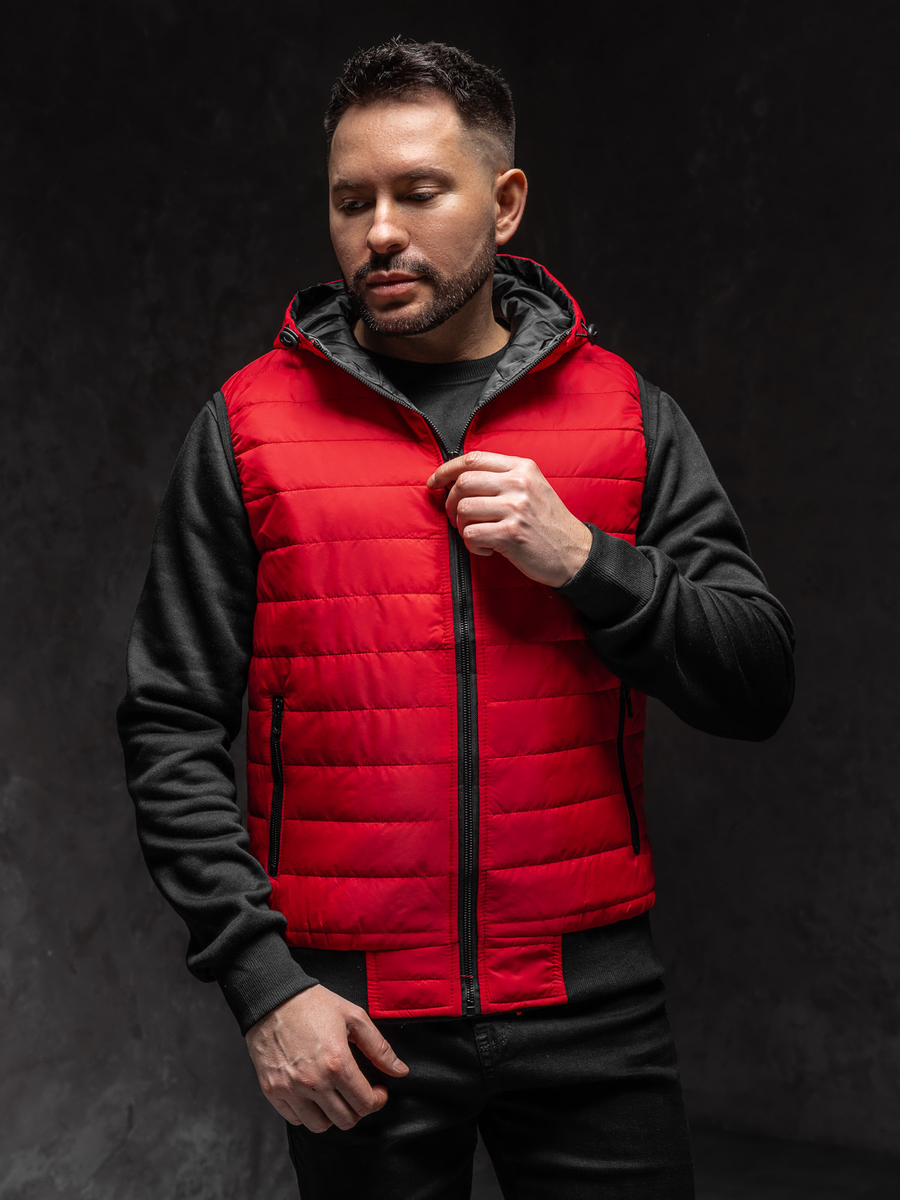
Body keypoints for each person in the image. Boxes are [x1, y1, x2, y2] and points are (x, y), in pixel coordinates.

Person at [116, 35, 795, 1200]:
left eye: (419, 192)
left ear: (505, 201)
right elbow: (169, 725)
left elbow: (757, 681)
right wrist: (265, 987)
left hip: (593, 1010)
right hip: (351, 1022)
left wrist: (586, 560)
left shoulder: (627, 415)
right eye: (351, 201)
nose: (379, 232)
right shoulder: (247, 428)